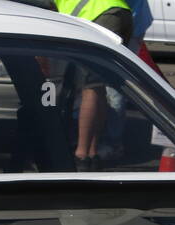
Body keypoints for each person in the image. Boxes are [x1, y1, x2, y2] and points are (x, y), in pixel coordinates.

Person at [54, 0, 134, 169]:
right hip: (120, 13)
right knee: (100, 85)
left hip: (100, 18)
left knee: (91, 87)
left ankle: (81, 154)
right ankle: (92, 151)